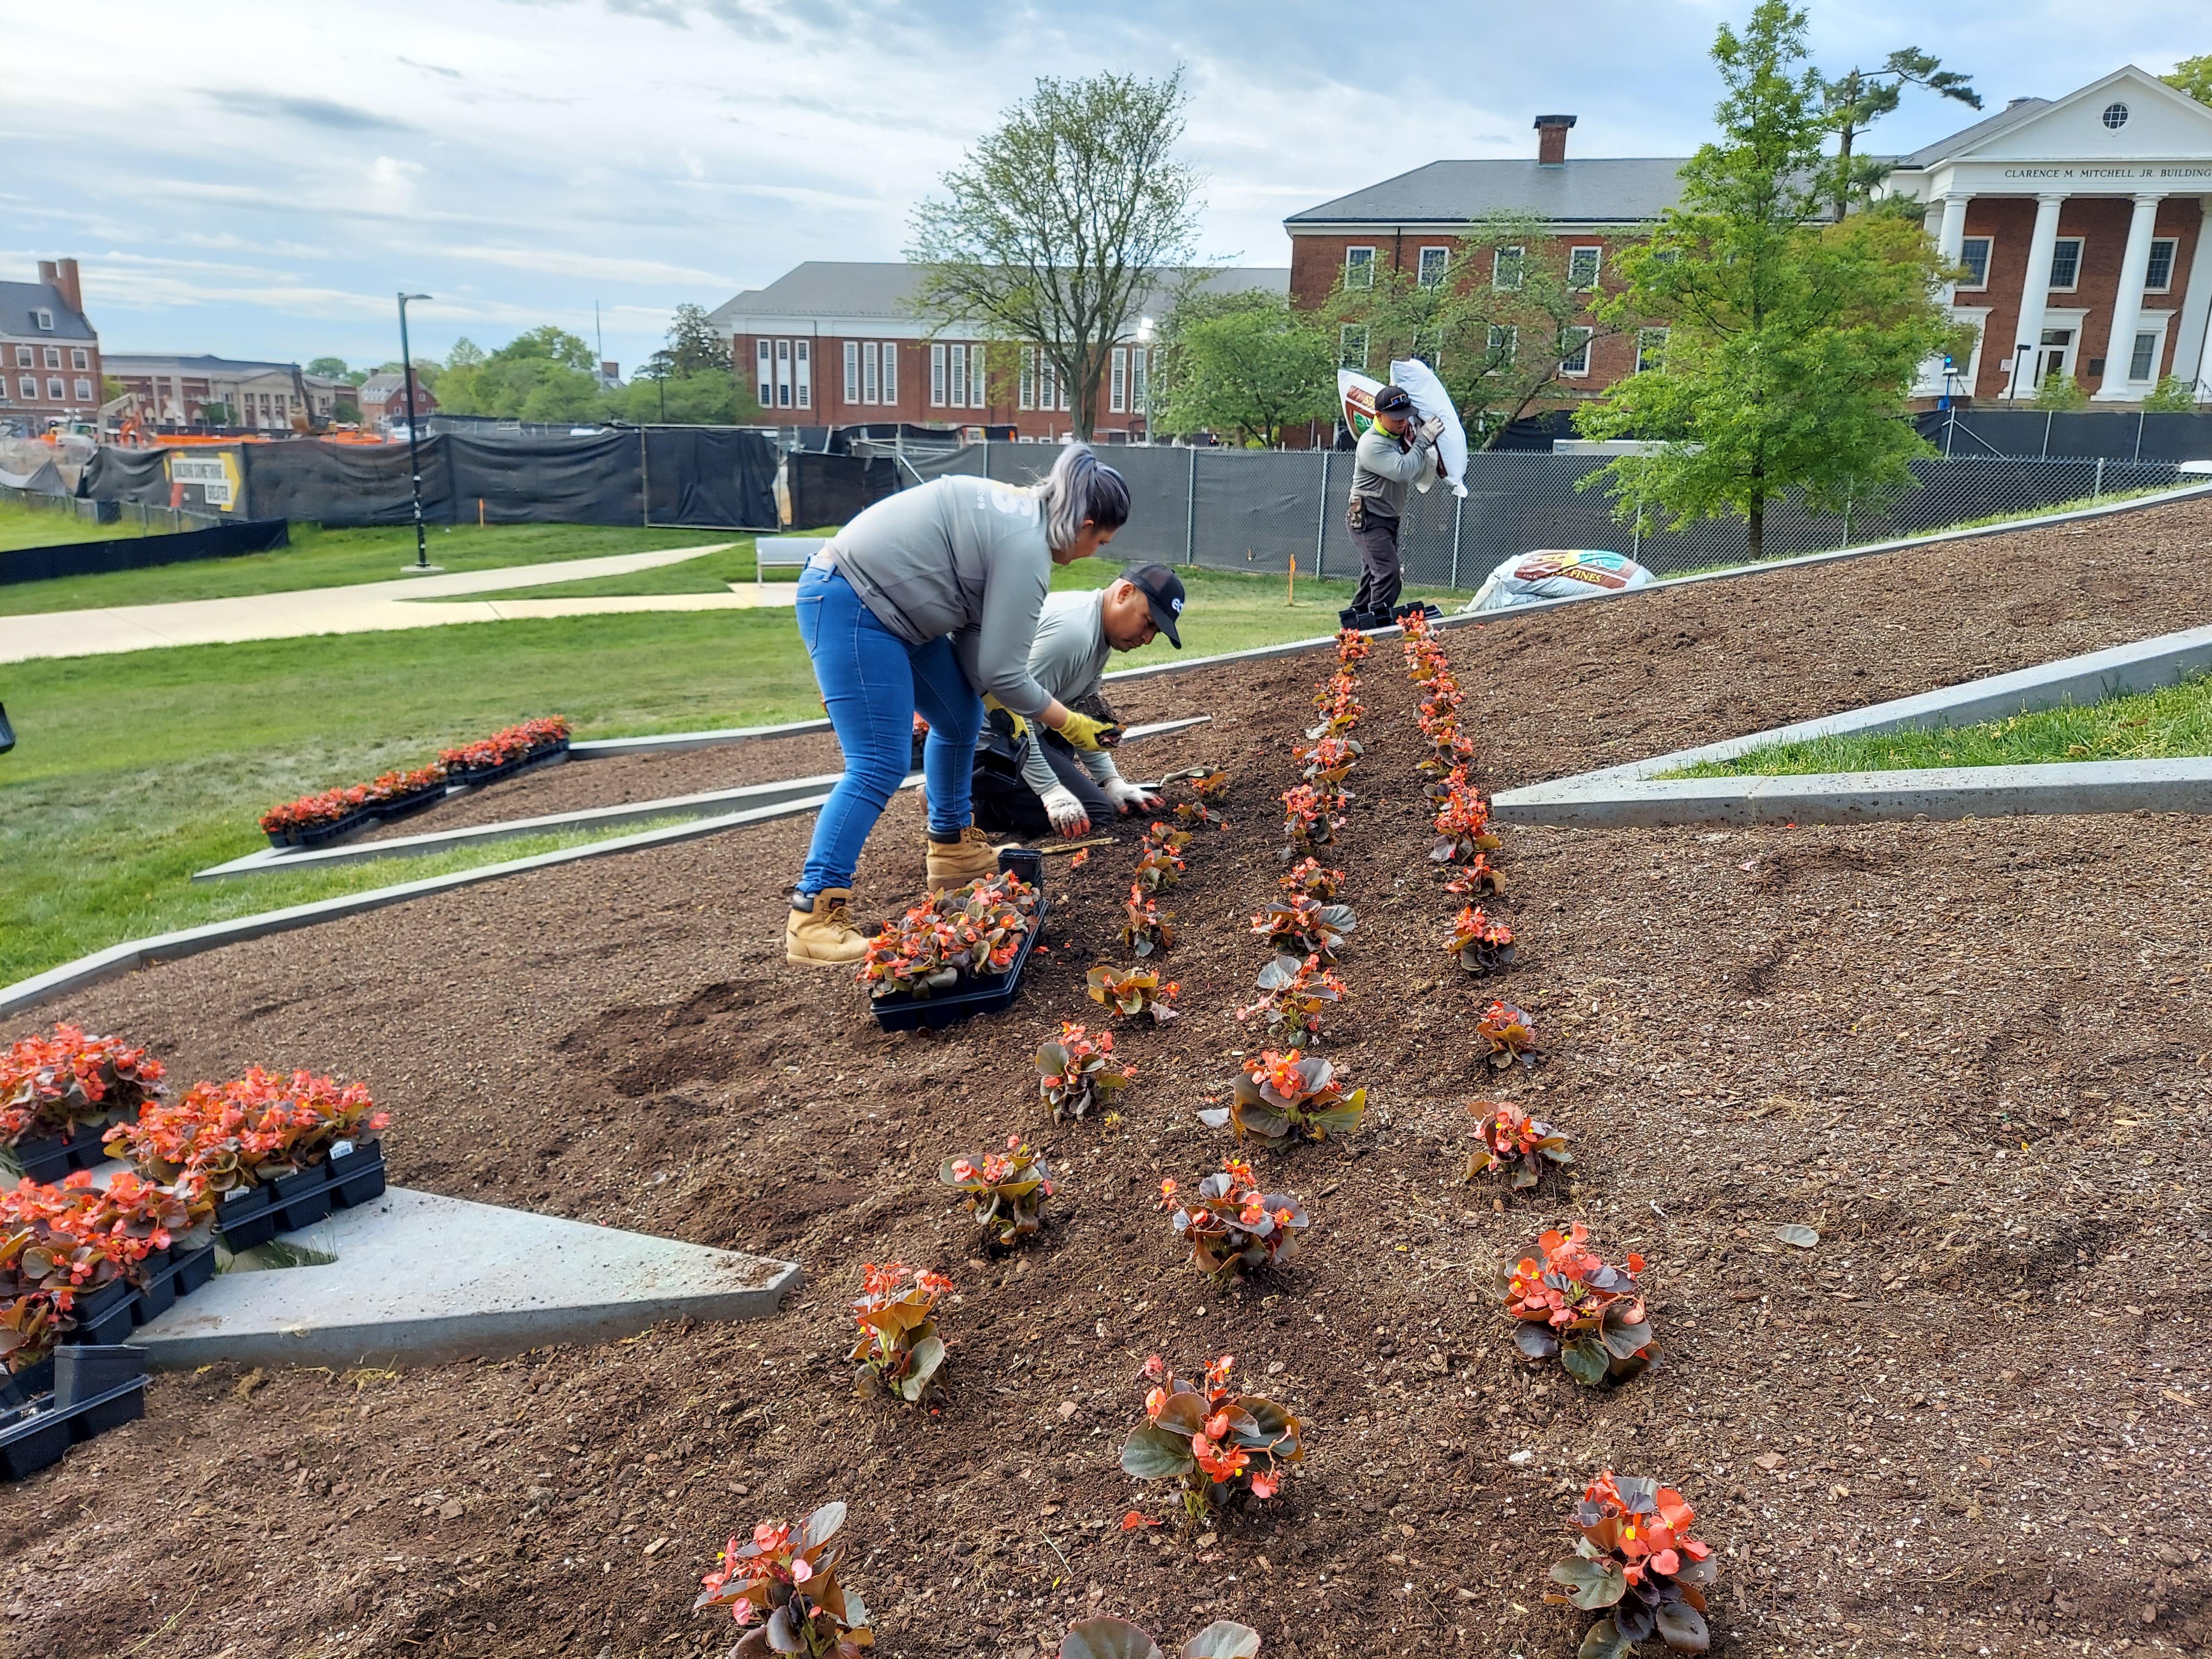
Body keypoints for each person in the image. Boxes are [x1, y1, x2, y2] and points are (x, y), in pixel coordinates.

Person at [784, 446, 1131, 966]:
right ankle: (814, 913)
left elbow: (979, 654)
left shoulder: (1020, 521)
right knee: (878, 761)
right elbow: (1003, 672)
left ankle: (950, 850)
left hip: (902, 611)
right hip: (851, 601)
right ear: (1083, 524)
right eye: (1099, 541)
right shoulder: (1028, 547)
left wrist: (1004, 702)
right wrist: (1071, 722)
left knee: (960, 716)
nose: (1093, 552)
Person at [970, 563, 1186, 841]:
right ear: (1125, 593)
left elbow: (1078, 717)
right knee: (1095, 812)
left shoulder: (1098, 632)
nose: (1147, 639)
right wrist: (1051, 792)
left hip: (1019, 736)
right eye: (1148, 622)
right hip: (983, 742)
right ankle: (963, 801)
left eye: (1156, 632)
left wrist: (1111, 781)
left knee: (1086, 785)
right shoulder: (1073, 636)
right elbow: (1009, 714)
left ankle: (975, 791)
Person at [1344, 383, 1444, 627]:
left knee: (1373, 575)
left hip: (1388, 519)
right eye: (1396, 418)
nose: (1402, 422)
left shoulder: (1400, 438)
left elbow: (1418, 466)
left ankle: (1352, 624)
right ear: (1379, 416)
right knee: (1388, 572)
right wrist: (1423, 440)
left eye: (1405, 417)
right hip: (1368, 519)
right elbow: (1403, 471)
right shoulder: (1372, 444)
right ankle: (1378, 626)